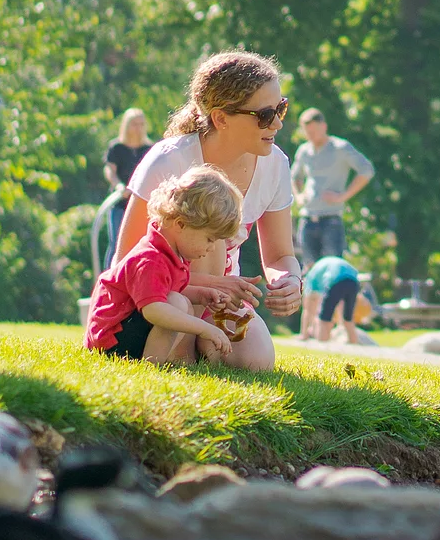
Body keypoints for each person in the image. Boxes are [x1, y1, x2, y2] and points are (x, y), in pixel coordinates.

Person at [112, 51, 307, 362]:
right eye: (265, 115)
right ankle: (182, 348)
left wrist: (291, 280)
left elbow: (280, 255)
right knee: (211, 232)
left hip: (222, 298)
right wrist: (209, 285)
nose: (278, 125)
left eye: (280, 109)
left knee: (257, 362)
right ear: (221, 118)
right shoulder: (169, 160)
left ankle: (204, 344)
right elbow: (125, 264)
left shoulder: (275, 165)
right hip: (161, 300)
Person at [87, 164, 252, 367]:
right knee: (177, 305)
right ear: (180, 224)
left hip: (128, 329)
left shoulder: (171, 254)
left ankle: (160, 363)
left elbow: (167, 288)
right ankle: (151, 367)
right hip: (112, 342)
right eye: (210, 239)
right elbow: (153, 310)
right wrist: (203, 327)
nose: (211, 249)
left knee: (180, 302)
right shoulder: (151, 258)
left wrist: (201, 295)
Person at [290, 109, 374, 264]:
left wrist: (344, 196)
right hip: (307, 218)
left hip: (331, 219)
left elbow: (367, 170)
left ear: (324, 127)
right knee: (309, 269)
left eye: (314, 131)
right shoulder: (304, 151)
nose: (311, 135)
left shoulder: (341, 148)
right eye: (308, 132)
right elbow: (294, 177)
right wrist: (299, 196)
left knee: (332, 267)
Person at [102, 108, 149, 241]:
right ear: (127, 125)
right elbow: (109, 170)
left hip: (141, 202)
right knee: (117, 240)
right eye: (134, 124)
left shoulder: (148, 149)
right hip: (121, 202)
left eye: (141, 124)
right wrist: (119, 186)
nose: (138, 128)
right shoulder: (116, 148)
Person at [305, 255, 375, 344]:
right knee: (348, 318)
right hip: (353, 280)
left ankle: (322, 344)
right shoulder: (323, 265)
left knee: (324, 319)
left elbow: (308, 307)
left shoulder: (311, 275)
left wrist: (305, 333)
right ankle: (353, 344)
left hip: (335, 280)